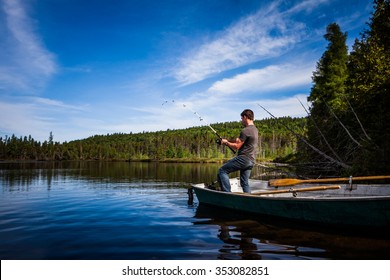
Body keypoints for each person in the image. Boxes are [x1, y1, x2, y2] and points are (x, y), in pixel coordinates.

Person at [218, 109, 258, 193]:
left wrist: (226, 142)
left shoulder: (245, 130)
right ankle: (249, 199)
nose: (241, 120)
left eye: (242, 118)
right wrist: (231, 141)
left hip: (244, 159)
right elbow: (243, 143)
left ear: (245, 117)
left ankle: (227, 194)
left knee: (222, 171)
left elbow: (237, 146)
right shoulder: (255, 130)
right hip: (251, 160)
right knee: (244, 183)